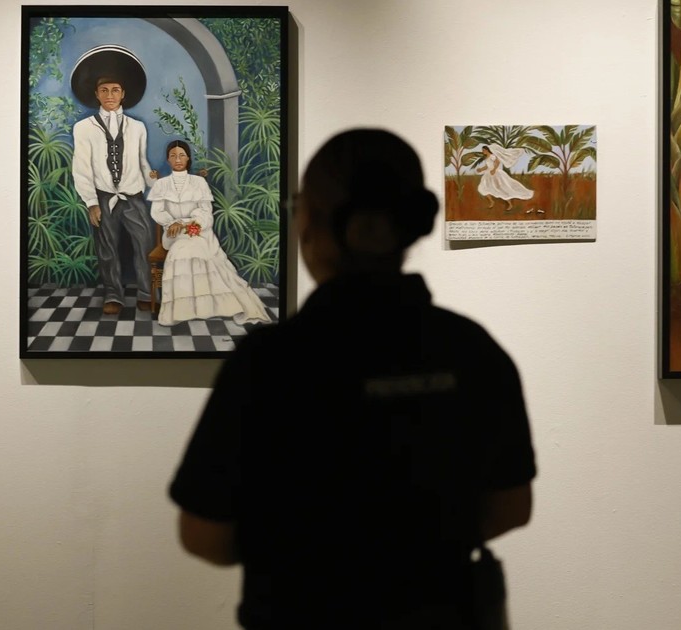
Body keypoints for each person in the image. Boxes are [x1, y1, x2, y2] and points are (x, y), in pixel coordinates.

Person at [169, 128, 536, 628]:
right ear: (411, 226)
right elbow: (511, 507)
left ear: (309, 223)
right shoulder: (472, 351)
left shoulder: (269, 363)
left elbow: (205, 535)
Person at [71, 46, 159, 315]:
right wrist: (91, 202)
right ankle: (113, 295)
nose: (110, 95)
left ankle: (146, 293)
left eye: (115, 90)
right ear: (96, 94)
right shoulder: (84, 128)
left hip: (133, 197)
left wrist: (155, 182)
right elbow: (81, 167)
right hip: (104, 197)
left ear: (124, 94)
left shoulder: (137, 127)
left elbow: (142, 163)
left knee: (144, 244)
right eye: (105, 90)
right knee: (107, 248)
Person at [149, 140, 271, 327]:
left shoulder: (199, 182)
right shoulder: (161, 184)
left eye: (182, 155)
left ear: (188, 158)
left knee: (194, 248)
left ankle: (202, 307)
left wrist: (186, 223)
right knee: (180, 249)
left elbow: (206, 214)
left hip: (199, 231)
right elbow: (157, 212)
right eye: (173, 156)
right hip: (172, 234)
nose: (178, 159)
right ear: (168, 160)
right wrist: (172, 223)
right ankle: (180, 309)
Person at [475, 144, 536, 214]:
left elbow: (497, 162)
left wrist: (494, 169)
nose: (482, 151)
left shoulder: (492, 156)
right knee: (482, 188)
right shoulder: (487, 157)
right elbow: (487, 166)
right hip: (488, 174)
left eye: (483, 150)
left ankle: (510, 204)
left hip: (495, 174)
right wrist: (481, 169)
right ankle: (492, 201)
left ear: (487, 150)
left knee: (502, 188)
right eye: (482, 150)